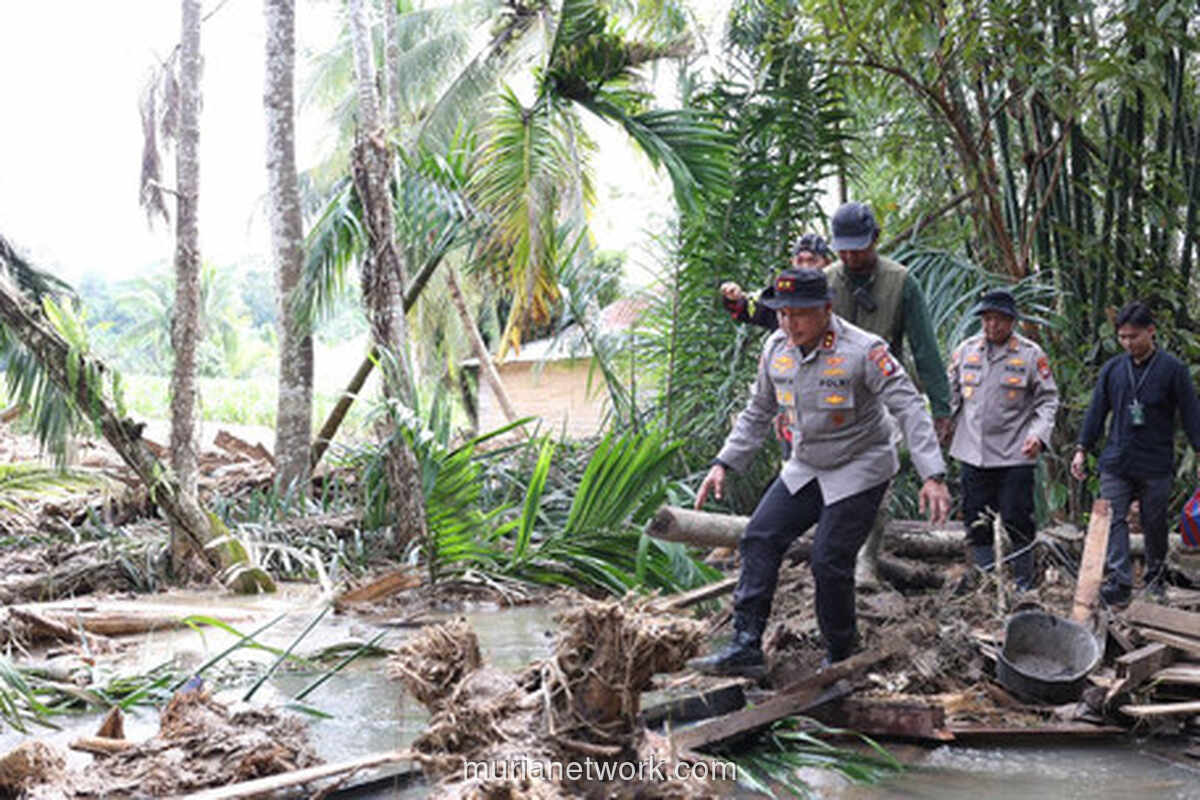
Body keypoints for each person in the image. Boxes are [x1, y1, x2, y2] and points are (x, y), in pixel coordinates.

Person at [688, 268, 950, 678]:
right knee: (759, 537)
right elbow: (759, 411)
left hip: (861, 465)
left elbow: (909, 407)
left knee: (829, 559)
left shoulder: (864, 350)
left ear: (826, 310)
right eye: (782, 314)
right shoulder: (776, 349)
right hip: (808, 463)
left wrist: (932, 474)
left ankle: (840, 652)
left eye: (799, 315)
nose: (789, 324)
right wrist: (724, 463)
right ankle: (745, 645)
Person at [825, 202, 953, 587]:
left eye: (858, 248)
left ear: (875, 239)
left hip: (881, 398)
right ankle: (834, 553)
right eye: (843, 249)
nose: (850, 256)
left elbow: (925, 348)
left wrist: (941, 405)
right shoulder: (826, 281)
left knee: (878, 477)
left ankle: (867, 558)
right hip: (829, 397)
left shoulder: (901, 282)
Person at [1071, 301, 1200, 605]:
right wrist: (1081, 448)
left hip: (1156, 461)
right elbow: (1096, 410)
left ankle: (1155, 577)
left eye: (1134, 336)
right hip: (1117, 458)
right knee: (1113, 518)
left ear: (1151, 332)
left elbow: (1192, 414)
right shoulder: (1113, 369)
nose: (1128, 343)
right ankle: (1120, 581)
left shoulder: (1173, 370)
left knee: (1154, 521)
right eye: (1123, 338)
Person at [946, 289, 1059, 590]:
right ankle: (986, 582)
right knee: (976, 519)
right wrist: (940, 431)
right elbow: (951, 397)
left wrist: (1038, 436)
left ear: (1011, 322)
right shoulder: (965, 352)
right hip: (973, 451)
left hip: (1015, 451)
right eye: (987, 319)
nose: (992, 325)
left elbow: (1047, 400)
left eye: (998, 319)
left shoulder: (1030, 355)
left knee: (1017, 516)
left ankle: (1024, 582)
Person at [719, 233, 835, 330]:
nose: (805, 267)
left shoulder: (837, 292)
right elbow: (752, 309)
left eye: (812, 261)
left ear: (827, 262)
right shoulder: (782, 297)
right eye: (800, 261)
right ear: (792, 262)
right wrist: (735, 299)